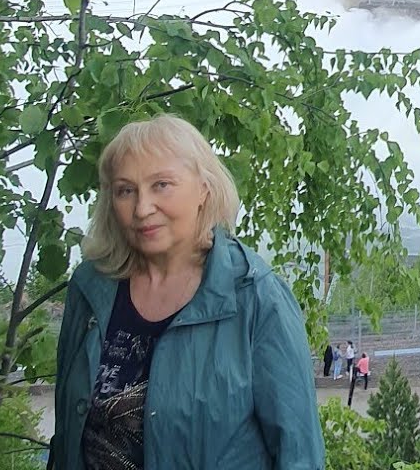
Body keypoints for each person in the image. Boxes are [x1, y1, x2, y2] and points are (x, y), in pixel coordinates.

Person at [50, 115, 324, 470]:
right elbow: (67, 431)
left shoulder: (256, 297)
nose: (142, 208)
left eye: (161, 184)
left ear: (203, 190)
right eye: (125, 190)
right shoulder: (90, 289)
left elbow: (299, 454)